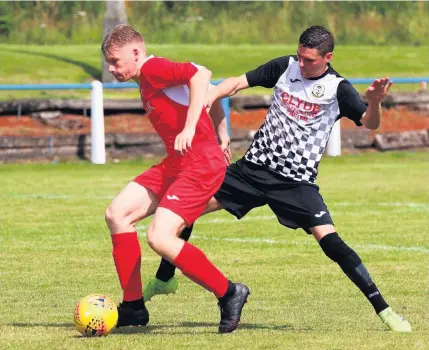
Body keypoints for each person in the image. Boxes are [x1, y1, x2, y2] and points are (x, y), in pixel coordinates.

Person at [144, 25, 412, 332]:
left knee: (332, 244)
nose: (301, 64)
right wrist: (212, 95)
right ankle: (165, 279)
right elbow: (238, 82)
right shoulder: (285, 67)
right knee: (186, 208)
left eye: (309, 60)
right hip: (251, 171)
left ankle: (385, 311)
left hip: (295, 183)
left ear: (328, 57)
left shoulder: (338, 88)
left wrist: (374, 101)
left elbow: (369, 123)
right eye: (299, 56)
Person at [101, 24, 249, 334]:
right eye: (109, 63)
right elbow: (210, 92)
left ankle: (229, 291)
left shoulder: (153, 68)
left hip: (200, 166)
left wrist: (191, 127)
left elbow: (200, 74)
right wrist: (222, 134)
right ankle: (133, 307)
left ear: (136, 53)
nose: (112, 68)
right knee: (118, 214)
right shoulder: (145, 79)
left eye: (115, 61)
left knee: (159, 237)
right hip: (178, 163)